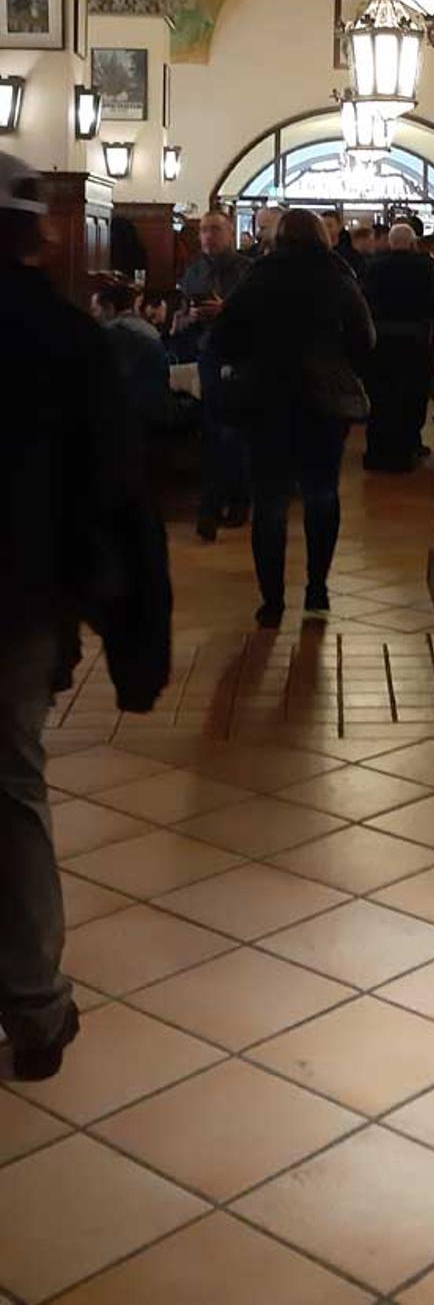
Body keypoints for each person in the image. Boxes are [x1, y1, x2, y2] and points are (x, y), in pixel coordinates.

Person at [0, 152, 172, 1080]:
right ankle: (33, 1008)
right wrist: (133, 631)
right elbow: (112, 492)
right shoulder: (65, 339)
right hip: (15, 602)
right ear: (40, 228)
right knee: (14, 793)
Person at [211, 208, 375, 627]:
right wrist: (341, 367)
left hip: (266, 401)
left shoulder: (257, 278)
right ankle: (317, 590)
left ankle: (272, 602)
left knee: (269, 502)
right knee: (322, 494)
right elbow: (364, 339)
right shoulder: (338, 278)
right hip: (323, 404)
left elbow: (224, 337)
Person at [177, 210, 251, 540]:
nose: (208, 236)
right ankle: (212, 505)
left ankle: (236, 500)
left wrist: (227, 310)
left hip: (239, 354)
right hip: (207, 351)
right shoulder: (194, 269)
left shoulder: (246, 269)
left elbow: (256, 312)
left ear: (229, 231)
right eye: (204, 230)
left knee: (233, 430)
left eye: (215, 230)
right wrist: (190, 314)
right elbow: (182, 309)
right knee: (213, 429)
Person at [362, 221, 434, 471]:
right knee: (412, 395)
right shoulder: (426, 267)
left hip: (380, 340)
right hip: (415, 340)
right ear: (413, 242)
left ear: (391, 243)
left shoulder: (373, 267)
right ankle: (407, 447)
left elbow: (363, 301)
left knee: (381, 396)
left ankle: (376, 451)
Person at [91, 278, 171, 435]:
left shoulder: (112, 333)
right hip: (157, 413)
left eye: (95, 310)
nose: (93, 316)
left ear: (109, 308)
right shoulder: (149, 330)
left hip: (128, 420)